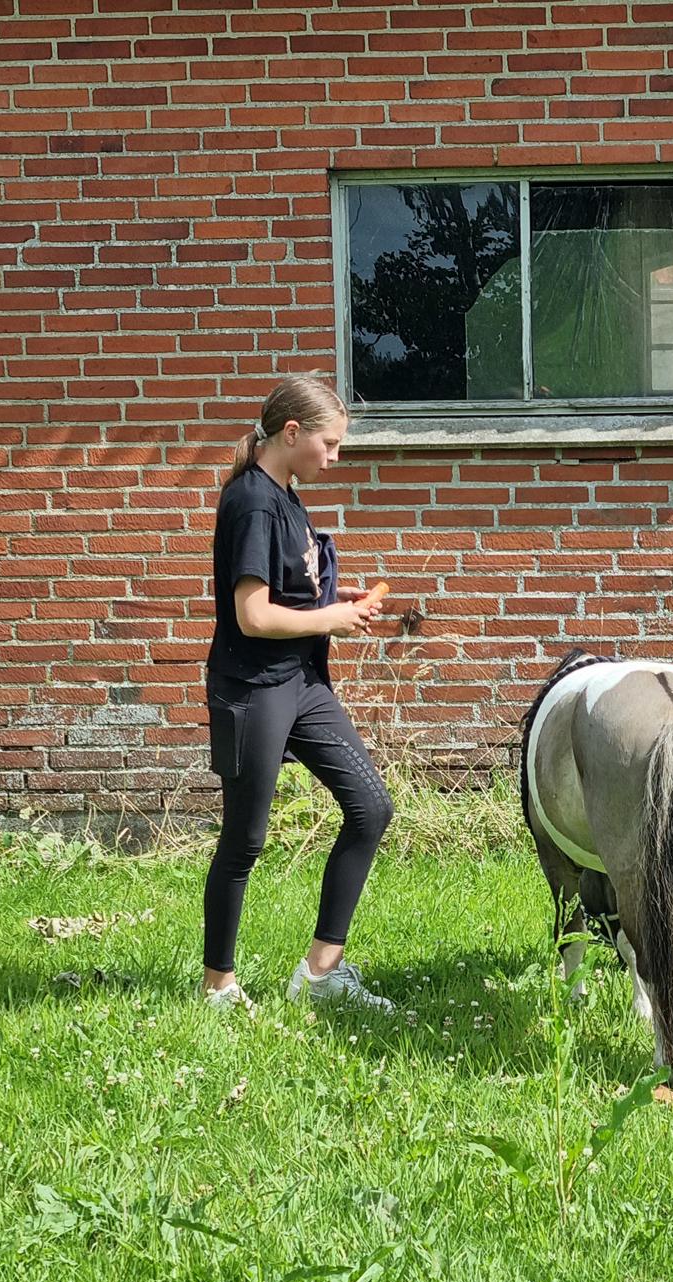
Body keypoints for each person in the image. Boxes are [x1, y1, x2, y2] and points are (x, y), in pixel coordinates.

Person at [201, 372, 395, 1012]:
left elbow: (286, 596)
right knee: (245, 840)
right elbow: (252, 615)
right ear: (292, 433)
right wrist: (330, 620)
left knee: (371, 809)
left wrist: (336, 605)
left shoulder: (285, 493)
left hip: (301, 682)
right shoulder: (253, 501)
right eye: (330, 444)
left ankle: (320, 972)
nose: (335, 458)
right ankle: (218, 987)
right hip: (253, 688)